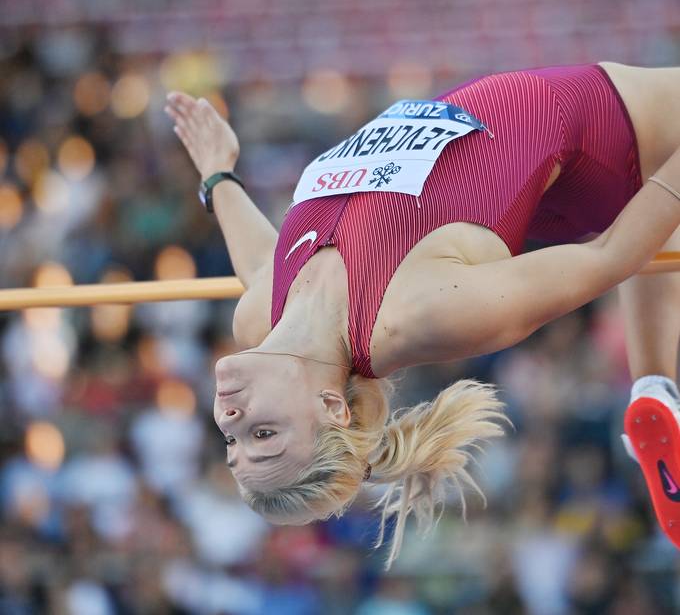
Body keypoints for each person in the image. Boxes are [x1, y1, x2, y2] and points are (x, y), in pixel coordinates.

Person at [164, 63, 680, 566]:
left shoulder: (260, 318)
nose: (230, 419)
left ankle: (657, 387)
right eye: (264, 436)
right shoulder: (419, 316)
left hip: (514, 160)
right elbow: (609, 257)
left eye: (232, 441)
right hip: (594, 133)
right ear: (330, 408)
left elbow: (257, 258)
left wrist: (217, 172)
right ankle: (657, 386)